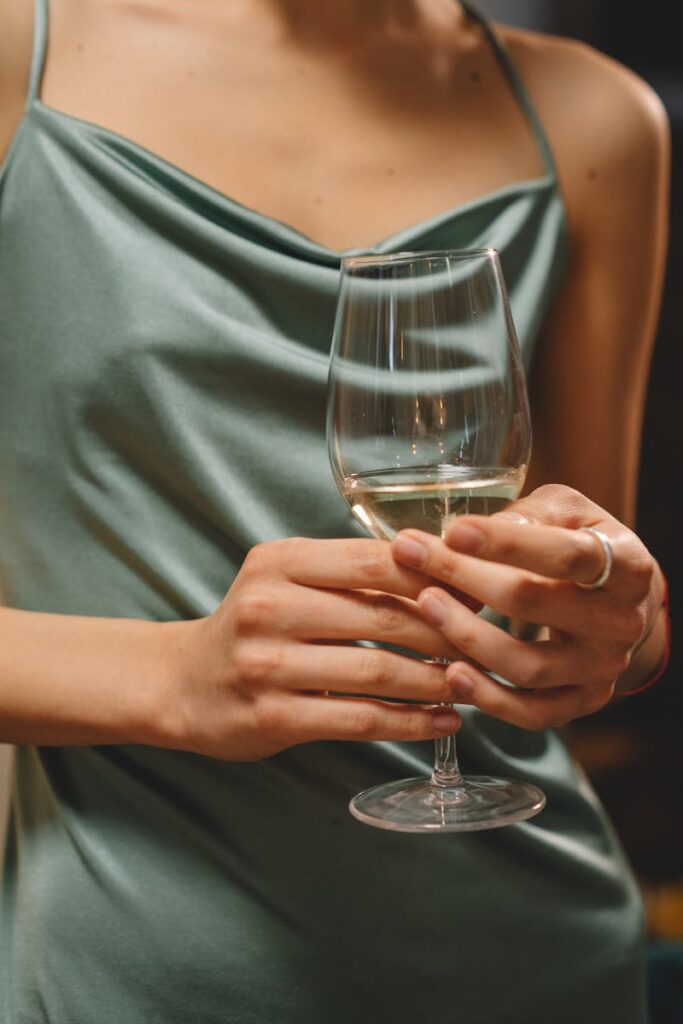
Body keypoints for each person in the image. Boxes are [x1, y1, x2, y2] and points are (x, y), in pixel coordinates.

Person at [0, 0, 670, 1021]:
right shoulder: (20, 59)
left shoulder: (594, 118)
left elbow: (573, 603)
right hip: (139, 977)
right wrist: (177, 679)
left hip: (540, 961)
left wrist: (625, 620)